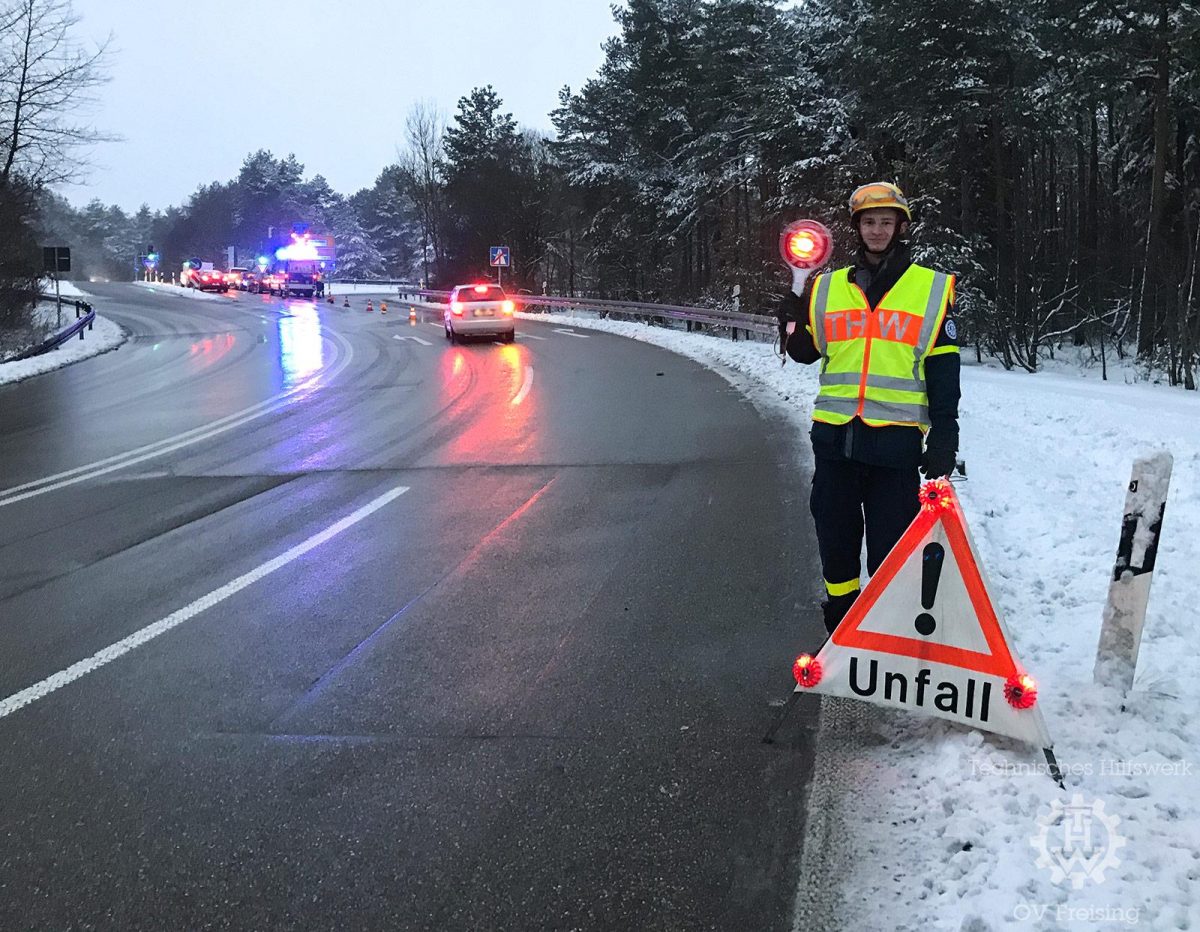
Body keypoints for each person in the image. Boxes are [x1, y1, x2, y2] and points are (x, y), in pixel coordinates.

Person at [776, 181, 961, 636]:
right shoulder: (825, 288)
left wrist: (944, 434)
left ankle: (881, 632)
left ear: (901, 227)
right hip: (835, 439)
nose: (877, 230)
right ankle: (840, 626)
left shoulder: (932, 289)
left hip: (895, 446)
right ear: (857, 228)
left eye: (886, 221)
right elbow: (803, 351)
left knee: (889, 547)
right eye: (868, 221)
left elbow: (943, 374)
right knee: (836, 541)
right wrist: (792, 313)